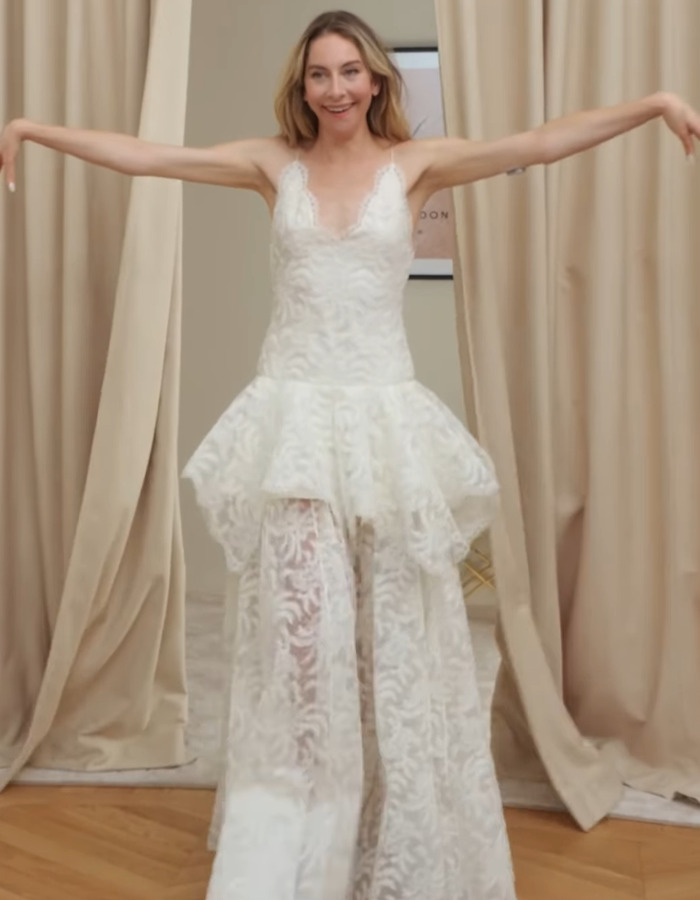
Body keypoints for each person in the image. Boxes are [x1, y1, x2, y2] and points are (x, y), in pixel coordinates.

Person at [2, 9, 699, 900]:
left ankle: (392, 846)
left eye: (348, 72)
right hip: (293, 429)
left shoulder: (416, 166)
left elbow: (544, 139)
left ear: (376, 81)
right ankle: (293, 856)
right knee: (303, 645)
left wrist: (654, 101)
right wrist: (30, 128)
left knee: (393, 644)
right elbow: (150, 157)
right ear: (303, 86)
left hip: (383, 434)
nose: (334, 88)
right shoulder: (270, 164)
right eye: (318, 75)